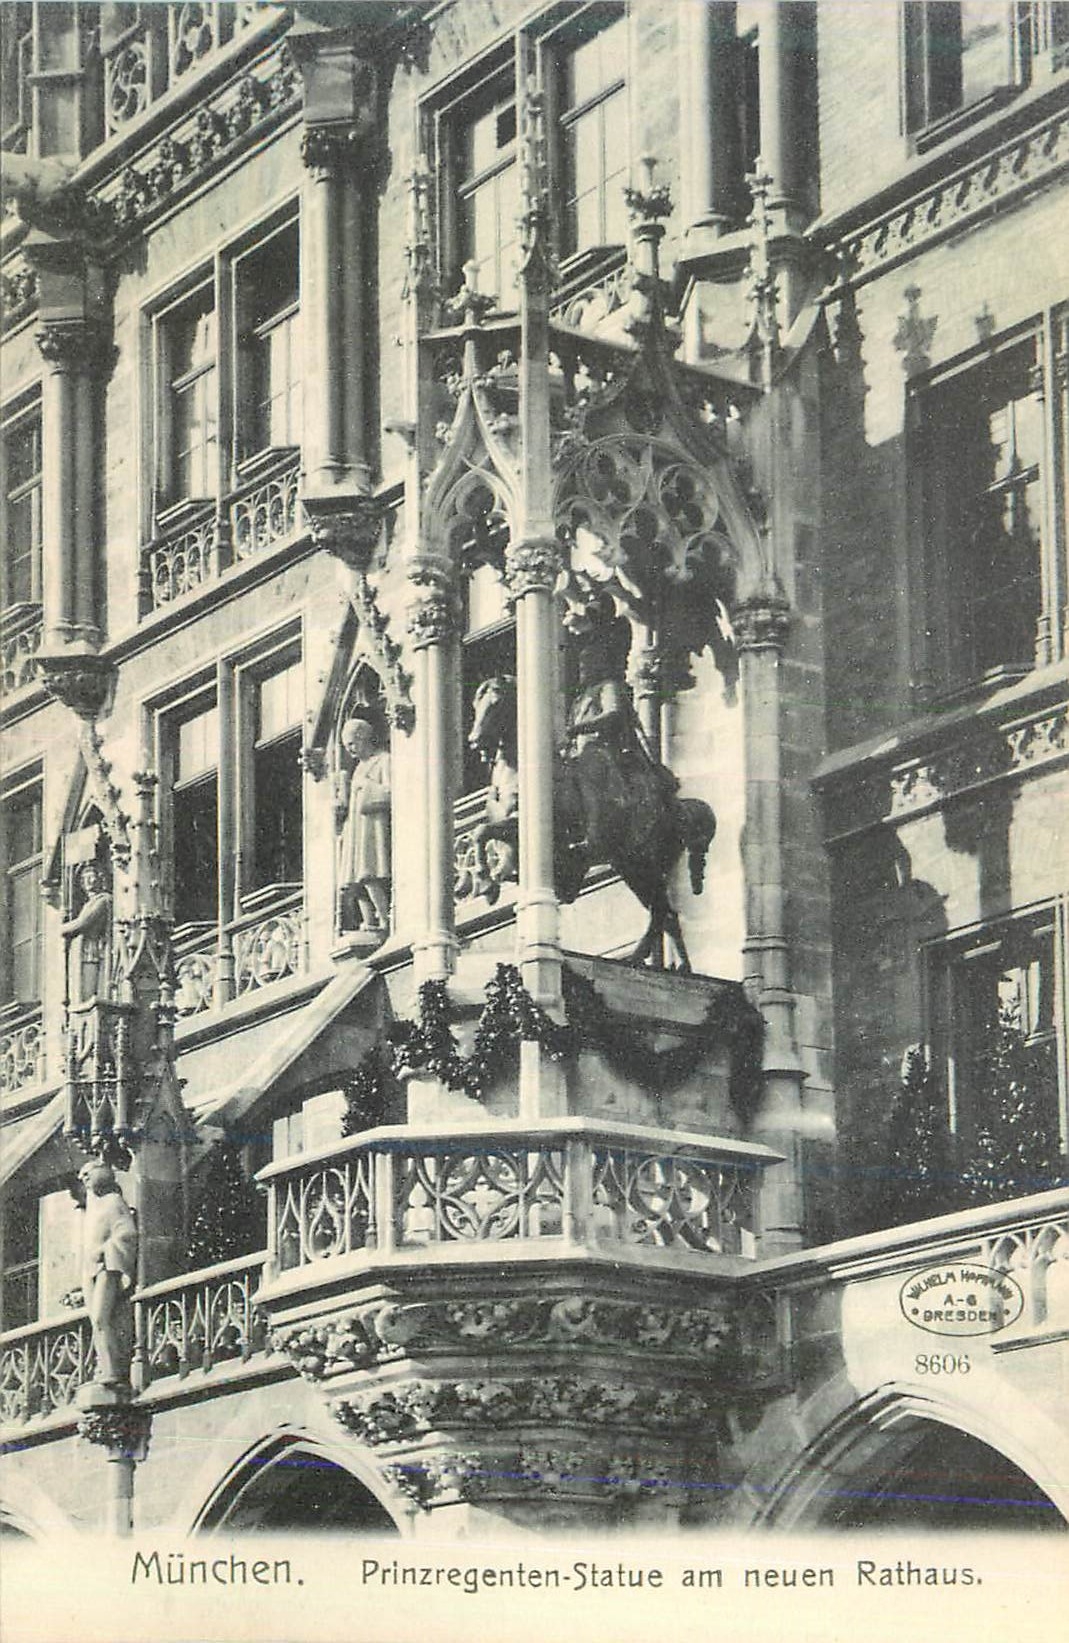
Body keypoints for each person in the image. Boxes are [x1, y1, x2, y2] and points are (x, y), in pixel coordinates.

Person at [76, 1155, 138, 1387]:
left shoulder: (113, 1201)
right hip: (92, 1270)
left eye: (88, 1173)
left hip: (107, 1268)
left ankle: (114, 1369)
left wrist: (104, 1250)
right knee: (97, 1320)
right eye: (82, 1175)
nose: (83, 1178)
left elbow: (127, 1233)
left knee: (102, 1318)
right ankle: (105, 1367)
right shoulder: (92, 1206)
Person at [336, 716, 392, 933]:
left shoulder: (384, 760)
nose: (349, 749)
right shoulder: (358, 768)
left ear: (363, 738)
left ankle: (385, 919)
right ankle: (369, 922)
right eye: (346, 745)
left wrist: (366, 788)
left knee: (369, 874)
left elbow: (390, 792)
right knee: (354, 882)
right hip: (356, 829)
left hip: (373, 827)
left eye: (351, 743)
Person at [60, 860, 112, 1004]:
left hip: (92, 950)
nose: (88, 881)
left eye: (91, 876)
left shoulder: (103, 900)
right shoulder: (89, 903)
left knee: (88, 993)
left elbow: (82, 923)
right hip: (82, 949)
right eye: (84, 878)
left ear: (100, 878)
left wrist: (60, 929)